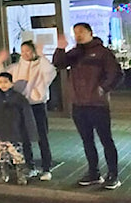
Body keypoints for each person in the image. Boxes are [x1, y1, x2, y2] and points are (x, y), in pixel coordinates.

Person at [53, 23, 123, 189]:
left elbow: (116, 74)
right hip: (79, 104)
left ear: (91, 33)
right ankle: (93, 173)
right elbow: (59, 63)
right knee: (87, 140)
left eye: (82, 32)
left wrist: (103, 88)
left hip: (97, 104)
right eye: (75, 32)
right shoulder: (75, 53)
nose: (78, 35)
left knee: (106, 140)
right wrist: (60, 48)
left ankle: (113, 174)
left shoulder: (102, 53)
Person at [0, 41, 57, 180]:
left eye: (28, 50)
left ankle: (46, 168)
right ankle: (30, 166)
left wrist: (41, 55)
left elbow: (50, 72)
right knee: (24, 136)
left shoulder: (41, 66)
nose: (25, 53)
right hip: (21, 106)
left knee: (41, 136)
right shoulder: (16, 67)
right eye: (23, 51)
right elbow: (0, 75)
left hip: (37, 105)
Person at [0, 73, 38, 185]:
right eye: (0, 82)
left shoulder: (18, 98)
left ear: (11, 83)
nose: (3, 85)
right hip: (0, 132)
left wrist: (30, 133)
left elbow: (27, 116)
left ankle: (21, 176)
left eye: (5, 82)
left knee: (17, 156)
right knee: (1, 156)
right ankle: (4, 175)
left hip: (14, 133)